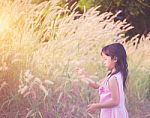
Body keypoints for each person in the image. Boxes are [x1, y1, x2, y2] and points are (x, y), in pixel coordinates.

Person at [76, 43, 129, 118]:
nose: (103, 62)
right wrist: (83, 76)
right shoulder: (112, 75)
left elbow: (115, 101)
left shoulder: (113, 78)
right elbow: (96, 85)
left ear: (115, 59)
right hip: (110, 111)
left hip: (114, 114)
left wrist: (97, 106)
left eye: (105, 59)